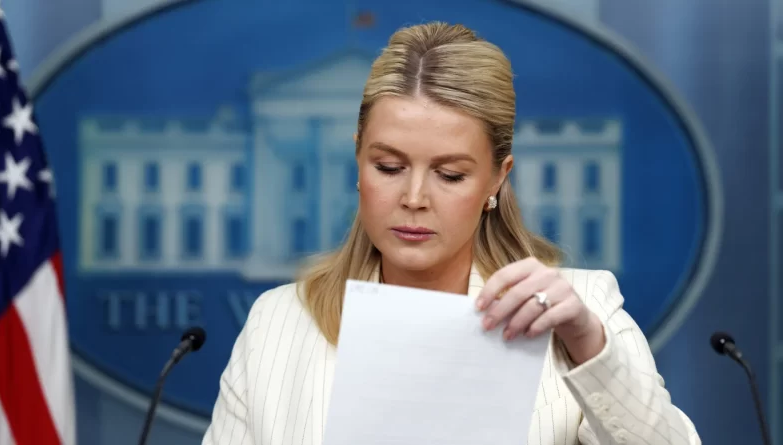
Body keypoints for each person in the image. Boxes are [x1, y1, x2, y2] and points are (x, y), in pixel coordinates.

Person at [201, 22, 701, 445]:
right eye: (389, 166)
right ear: (358, 159)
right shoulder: (277, 322)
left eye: (450, 175)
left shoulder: (585, 309)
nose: (414, 197)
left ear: (497, 179)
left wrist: (586, 344)